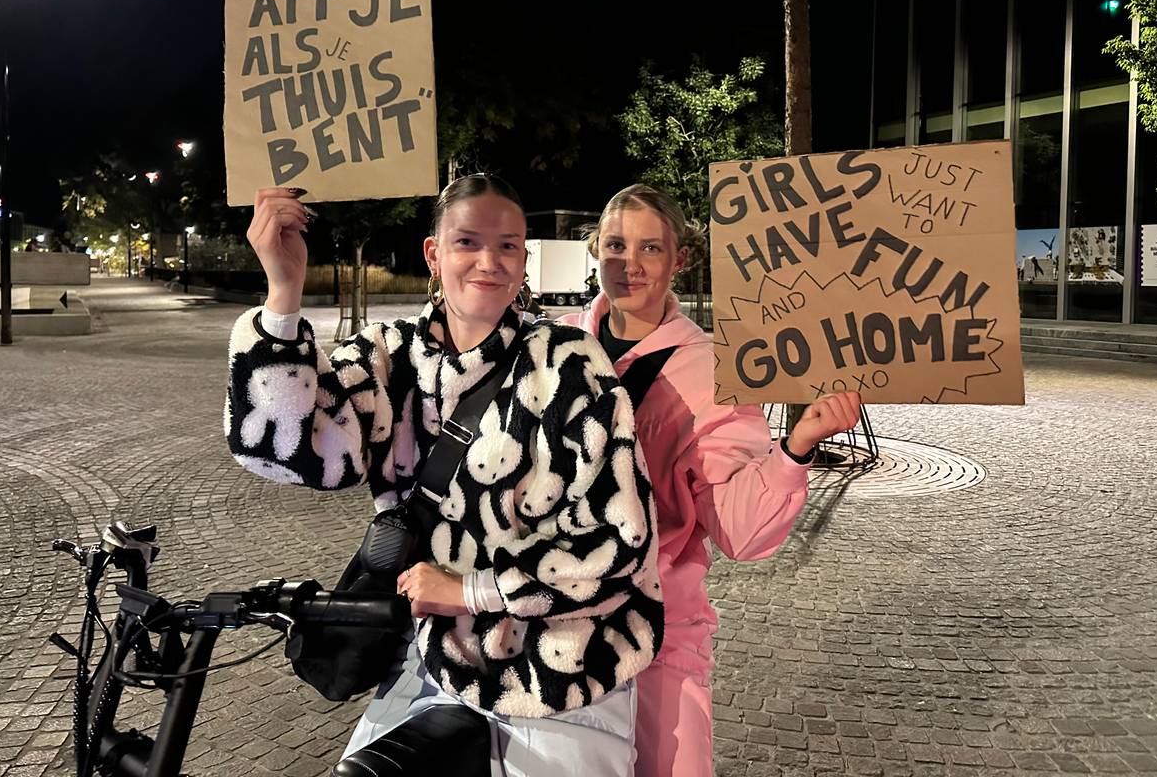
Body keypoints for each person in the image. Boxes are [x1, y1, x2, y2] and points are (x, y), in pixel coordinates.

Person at [226, 175, 663, 777]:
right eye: (467, 242)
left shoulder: (569, 362)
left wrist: (469, 591)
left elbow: (620, 541)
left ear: (524, 257)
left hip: (564, 671)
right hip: (433, 660)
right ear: (434, 254)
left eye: (508, 245)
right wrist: (282, 292)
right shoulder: (387, 354)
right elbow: (291, 449)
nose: (489, 261)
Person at [562, 183, 862, 777]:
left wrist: (796, 447)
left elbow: (739, 531)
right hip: (550, 620)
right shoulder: (554, 345)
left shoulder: (716, 369)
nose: (630, 264)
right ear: (595, 250)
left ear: (681, 257)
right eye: (616, 245)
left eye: (651, 247)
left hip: (657, 630)